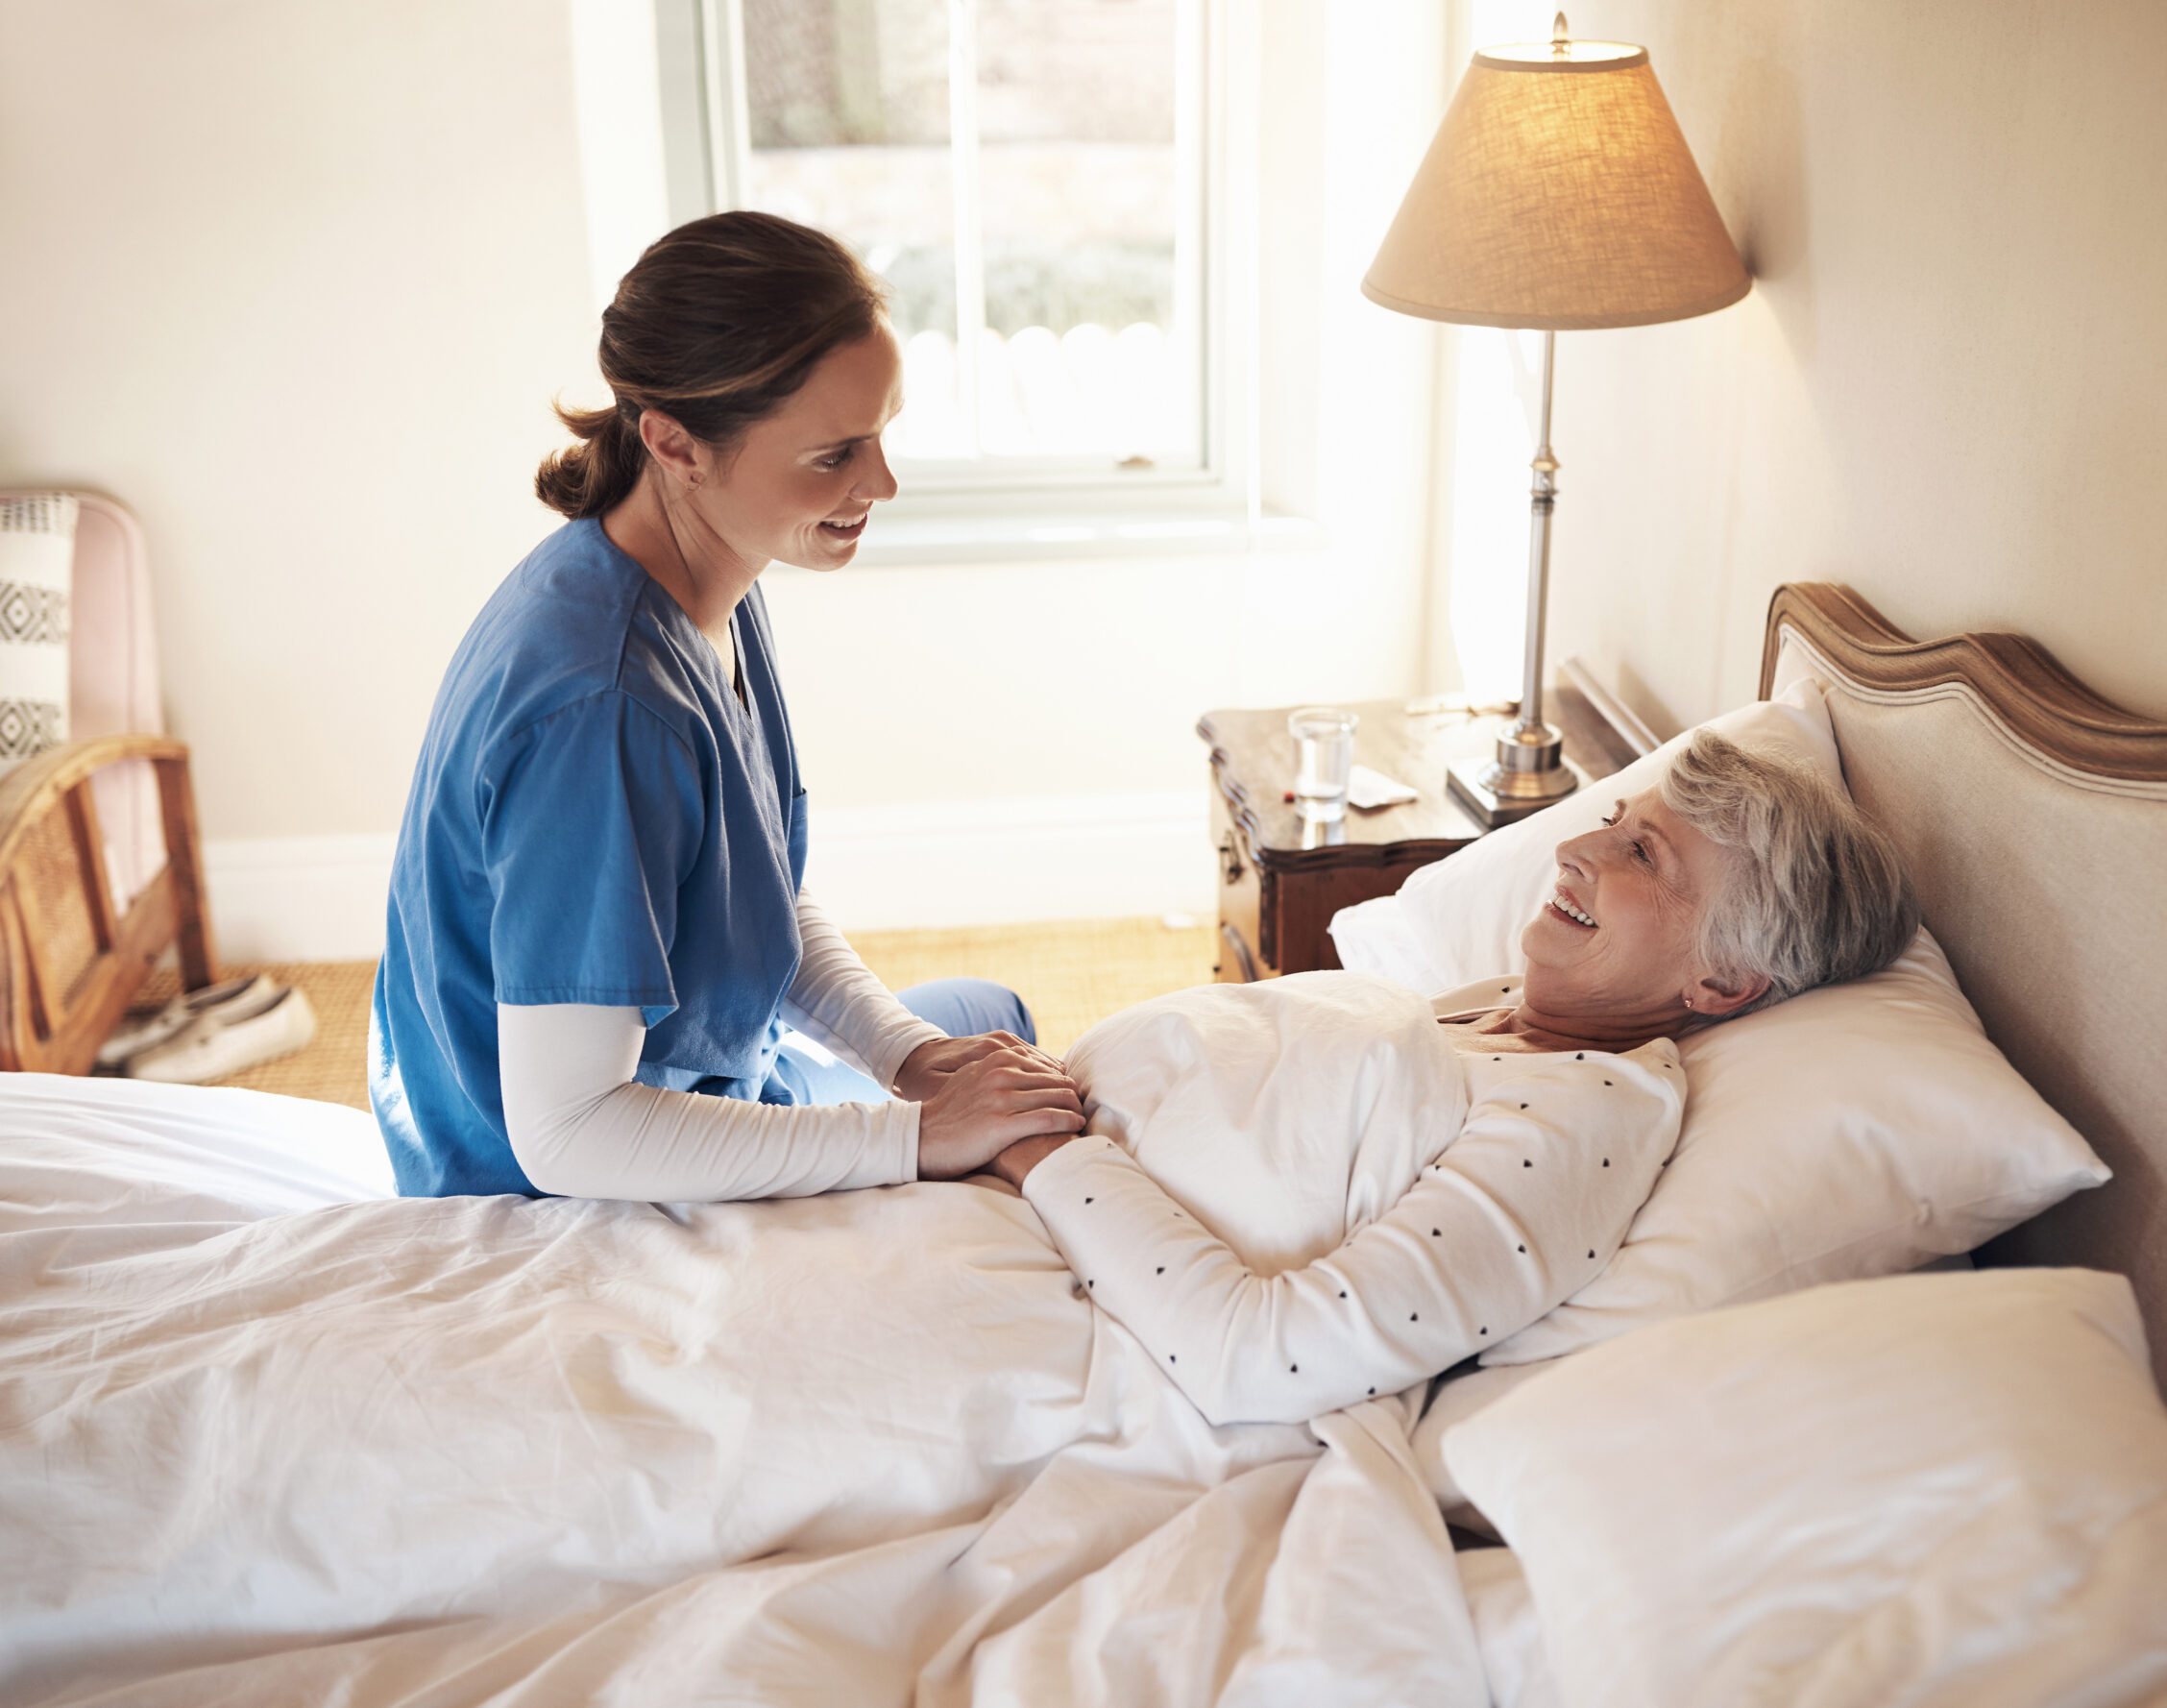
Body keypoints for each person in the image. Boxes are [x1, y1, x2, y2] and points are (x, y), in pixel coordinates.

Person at [372, 212, 1084, 1200]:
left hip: (709, 1083)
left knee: (986, 1021)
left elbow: (749, 893)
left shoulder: (706, 581)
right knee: (1004, 1133)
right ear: (674, 441)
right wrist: (909, 1136)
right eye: (833, 455)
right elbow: (568, 1130)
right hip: (579, 1190)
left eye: (880, 434)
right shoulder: (601, 708)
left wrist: (909, 1058)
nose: (880, 481)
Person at [985, 730, 1919, 1426]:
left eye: (1641, 854)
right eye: (1611, 822)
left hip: (1050, 1283)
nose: (1572, 850)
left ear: (1720, 978)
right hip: (1021, 1181)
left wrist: (1044, 1148)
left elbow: (1257, 1359)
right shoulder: (1510, 1008)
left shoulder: (1582, 1127)